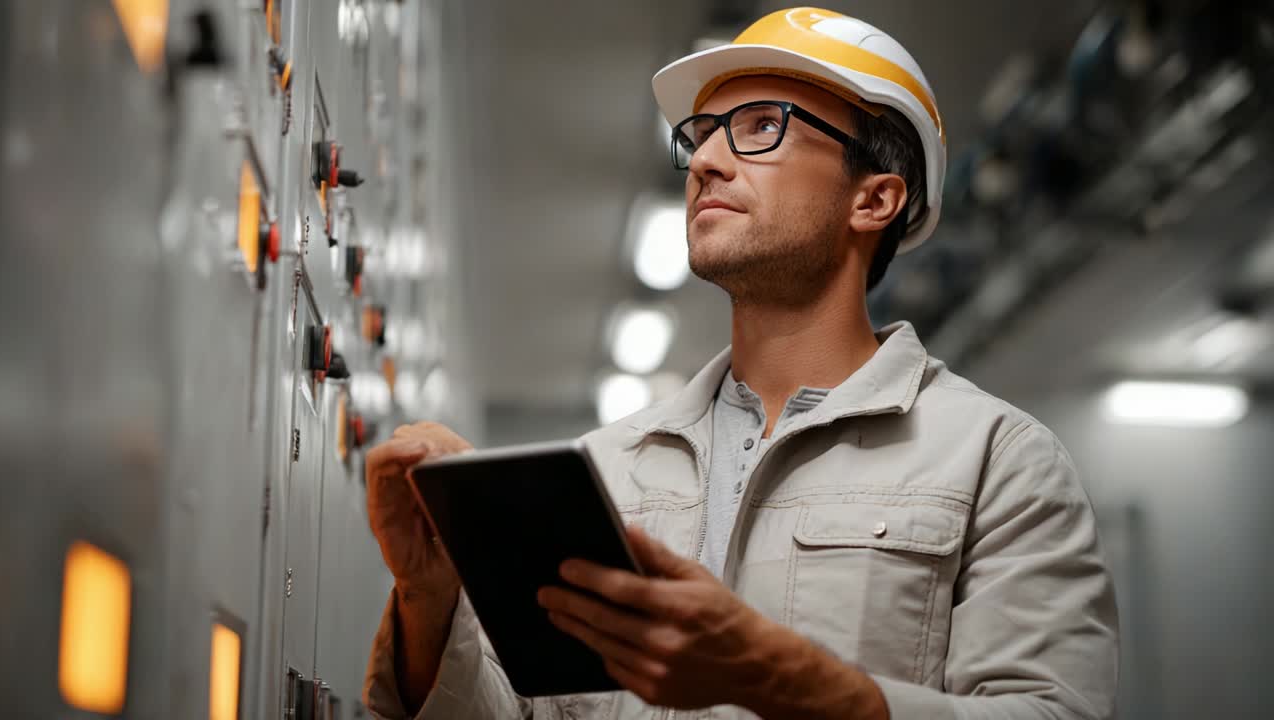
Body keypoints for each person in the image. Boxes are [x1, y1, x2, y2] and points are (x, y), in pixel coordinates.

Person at [362, 8, 1119, 719]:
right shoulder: (606, 470)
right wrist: (430, 600)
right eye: (703, 135)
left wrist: (777, 675)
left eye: (762, 127)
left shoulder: (997, 462)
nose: (707, 162)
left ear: (876, 199)